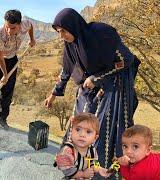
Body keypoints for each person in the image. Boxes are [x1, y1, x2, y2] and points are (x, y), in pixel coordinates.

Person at [44, 8, 140, 168]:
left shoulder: (100, 35)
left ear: (73, 26)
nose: (61, 36)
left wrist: (97, 78)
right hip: (90, 85)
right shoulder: (70, 45)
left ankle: (99, 170)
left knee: (101, 128)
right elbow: (66, 70)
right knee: (79, 122)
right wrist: (53, 94)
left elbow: (126, 59)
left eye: (63, 31)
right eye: (58, 32)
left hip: (113, 85)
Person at [0, 9, 36, 129]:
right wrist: (4, 75)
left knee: (7, 91)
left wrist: (32, 39)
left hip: (12, 59)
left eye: (13, 28)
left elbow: (30, 27)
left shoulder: (25, 24)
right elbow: (0, 55)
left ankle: (3, 119)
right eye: (7, 26)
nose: (9, 30)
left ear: (19, 25)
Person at [55, 113, 110, 179]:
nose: (82, 134)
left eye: (88, 132)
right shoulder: (68, 150)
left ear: (95, 138)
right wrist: (83, 174)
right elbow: (68, 171)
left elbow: (93, 163)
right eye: (78, 129)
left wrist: (99, 169)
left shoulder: (92, 150)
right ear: (71, 131)